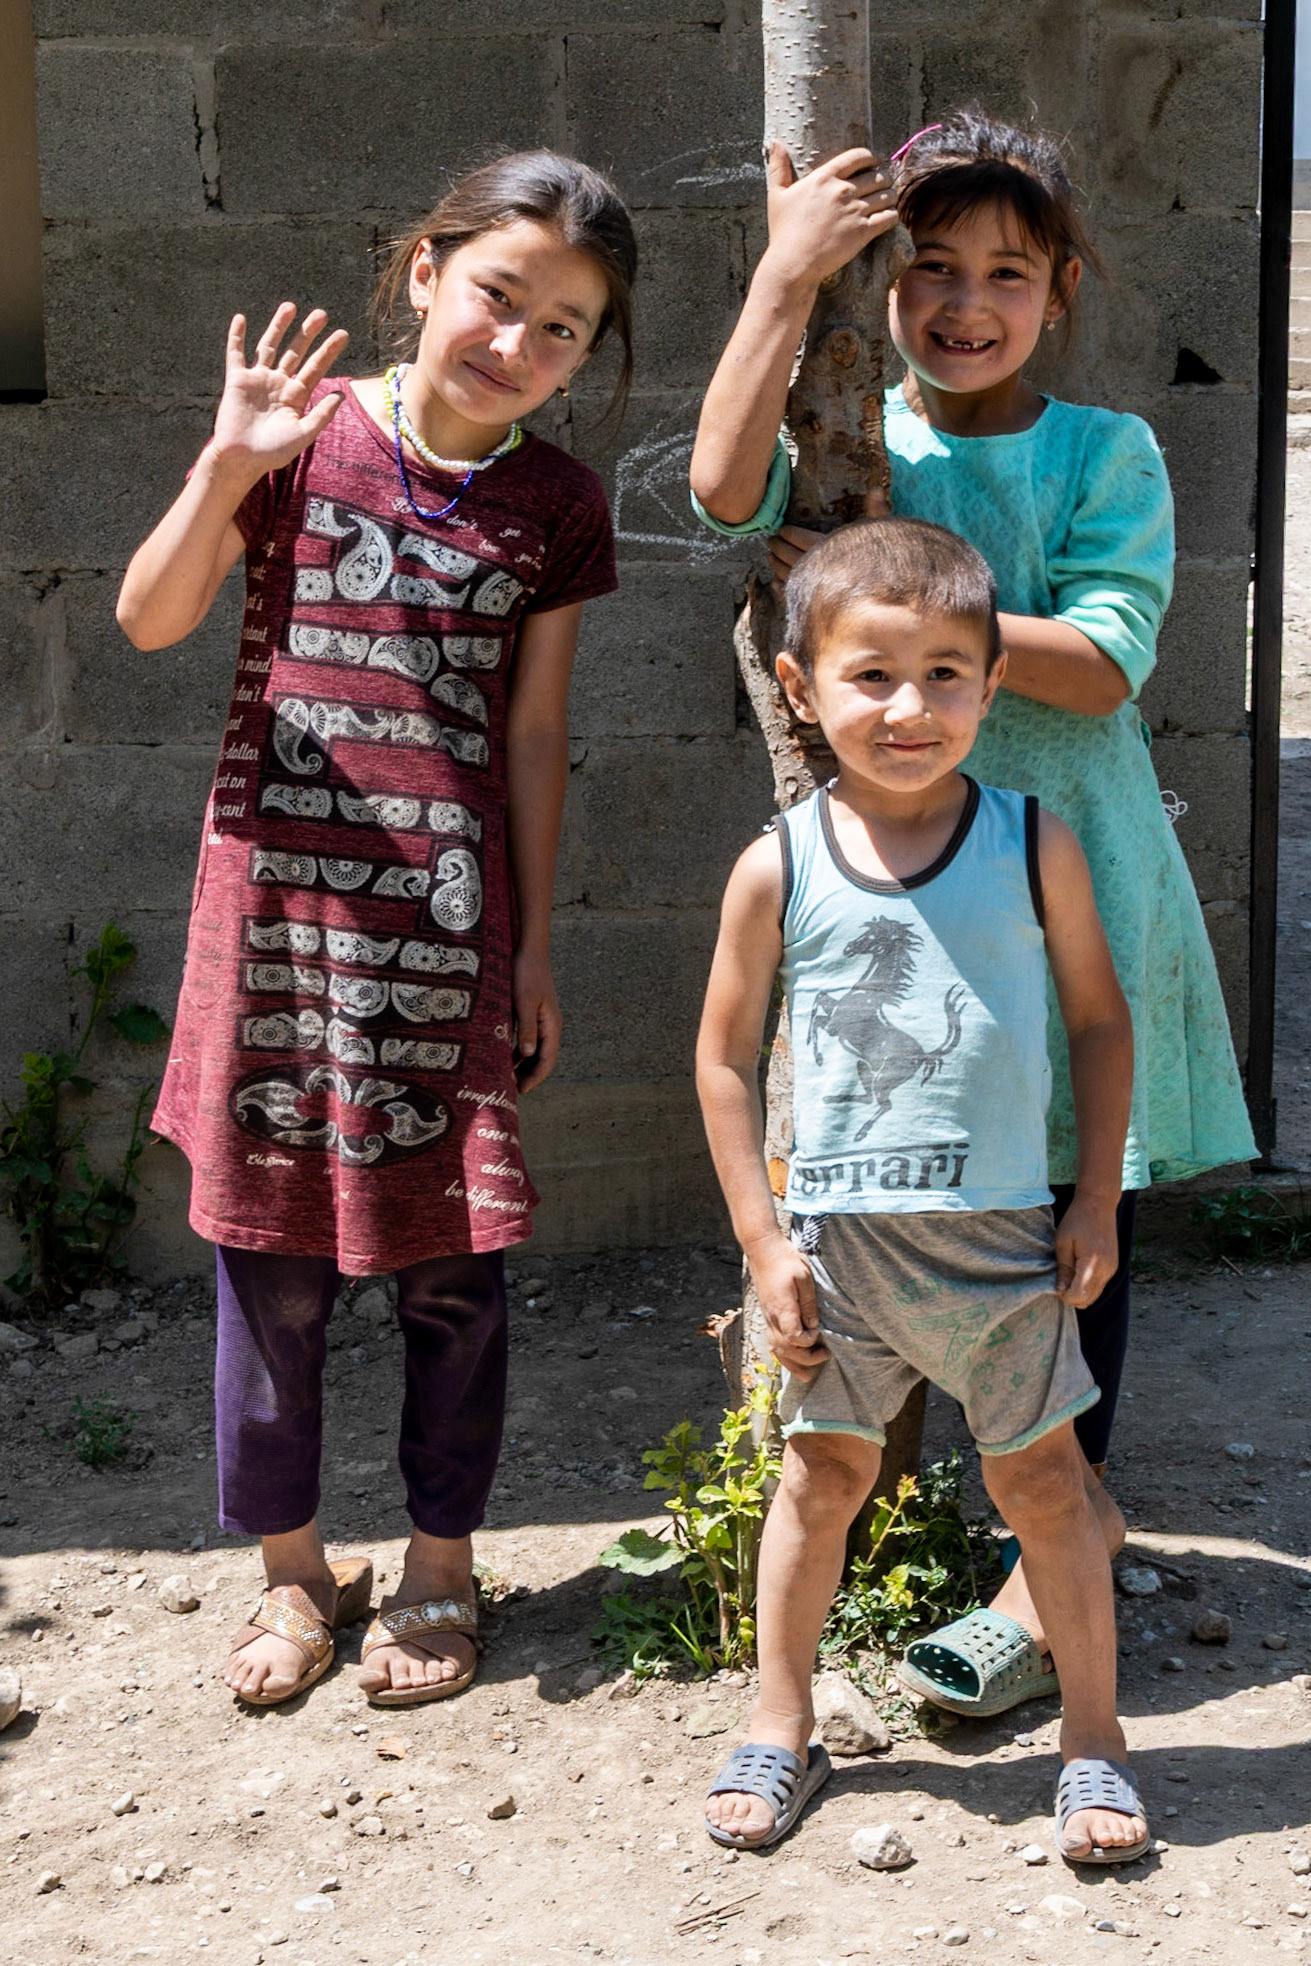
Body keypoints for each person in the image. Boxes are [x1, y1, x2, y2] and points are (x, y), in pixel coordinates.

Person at [689, 107, 1254, 1717]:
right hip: (890, 907)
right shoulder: (861, 429)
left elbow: (1108, 656)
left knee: (1085, 1211)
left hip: (1074, 874)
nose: (964, 301)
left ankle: (1035, 1559)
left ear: (1060, 289)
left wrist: (921, 622)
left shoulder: (1104, 454)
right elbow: (730, 493)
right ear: (883, 290)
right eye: (929, 266)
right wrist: (781, 286)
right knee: (901, 1194)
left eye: (1007, 270)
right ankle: (880, 1506)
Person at [117, 152, 637, 1709]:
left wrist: (534, 945)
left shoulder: (557, 503)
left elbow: (532, 734)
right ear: (422, 270)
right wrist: (223, 467)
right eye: (500, 294)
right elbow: (150, 617)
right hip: (274, 928)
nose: (521, 341)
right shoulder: (299, 440)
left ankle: (438, 1566)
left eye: (566, 326)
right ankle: (289, 1573)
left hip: (447, 938)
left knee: (453, 1272)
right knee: (263, 1263)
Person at [696, 515, 1149, 1863]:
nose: (911, 708)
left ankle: (1095, 1741)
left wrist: (1098, 1199)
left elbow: (1103, 1026)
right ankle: (779, 1721)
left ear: (993, 684)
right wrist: (762, 1240)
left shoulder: (1032, 841)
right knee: (820, 1480)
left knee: (1050, 1493)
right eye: (872, 675)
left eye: (948, 673)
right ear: (800, 687)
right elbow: (723, 1062)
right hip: (841, 1257)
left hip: (1006, 1249)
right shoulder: (780, 864)